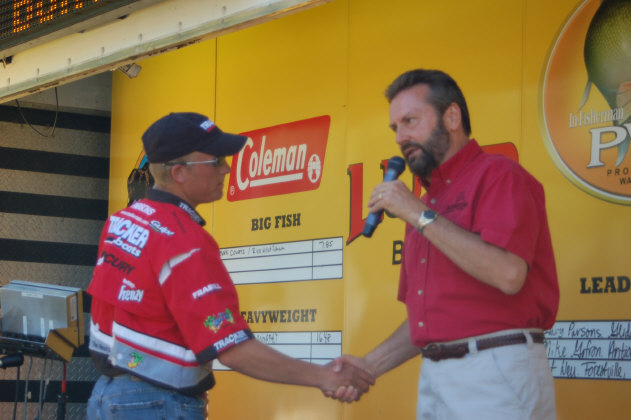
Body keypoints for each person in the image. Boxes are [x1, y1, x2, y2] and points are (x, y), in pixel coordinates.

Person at [86, 112, 374, 419]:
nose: (226, 168)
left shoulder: (121, 221)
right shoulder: (185, 241)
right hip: (155, 404)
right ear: (179, 172)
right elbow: (232, 348)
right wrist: (325, 377)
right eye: (216, 161)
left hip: (107, 395)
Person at [333, 69, 559, 419]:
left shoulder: (499, 175)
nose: (400, 137)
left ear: (452, 117)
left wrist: (416, 213)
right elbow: (429, 322)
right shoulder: (425, 205)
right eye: (395, 128)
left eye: (410, 121)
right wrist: (369, 366)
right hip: (435, 374)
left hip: (496, 369)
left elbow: (509, 273)